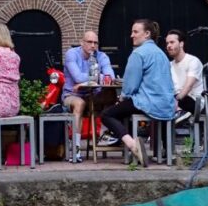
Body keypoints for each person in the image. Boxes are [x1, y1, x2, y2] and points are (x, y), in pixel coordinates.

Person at [100, 19, 176, 167]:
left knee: (107, 114)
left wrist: (121, 98)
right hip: (167, 105)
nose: (131, 35)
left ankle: (133, 146)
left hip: (147, 102)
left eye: (135, 32)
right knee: (123, 109)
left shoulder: (138, 54)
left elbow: (130, 86)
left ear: (147, 34)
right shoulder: (161, 53)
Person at [61, 30, 115, 162]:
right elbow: (77, 77)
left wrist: (86, 82)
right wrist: (98, 78)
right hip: (71, 95)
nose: (93, 45)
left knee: (112, 95)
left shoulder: (102, 56)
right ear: (82, 43)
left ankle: (105, 135)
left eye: (95, 43)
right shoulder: (71, 54)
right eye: (89, 42)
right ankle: (76, 149)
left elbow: (111, 78)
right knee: (80, 103)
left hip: (93, 95)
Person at [165, 28, 204, 124]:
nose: (168, 46)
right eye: (167, 43)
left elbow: (188, 86)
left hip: (193, 101)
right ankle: (163, 138)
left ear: (181, 44)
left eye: (172, 42)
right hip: (175, 100)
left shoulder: (193, 61)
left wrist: (175, 100)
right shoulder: (169, 65)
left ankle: (179, 111)